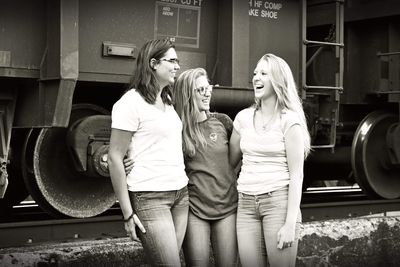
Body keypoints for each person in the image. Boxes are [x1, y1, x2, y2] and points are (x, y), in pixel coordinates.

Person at [108, 38, 189, 267]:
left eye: (178, 61)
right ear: (153, 63)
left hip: (180, 195)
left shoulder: (167, 100)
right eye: (172, 60)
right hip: (150, 197)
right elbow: (115, 157)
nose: (177, 66)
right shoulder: (130, 103)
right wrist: (127, 214)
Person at [229, 53, 311, 267]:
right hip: (246, 206)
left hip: (278, 204)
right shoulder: (242, 119)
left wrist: (289, 224)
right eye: (255, 73)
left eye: (264, 73)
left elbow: (297, 175)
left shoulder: (289, 121)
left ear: (278, 81)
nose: (256, 77)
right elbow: (230, 162)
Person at [174, 68, 239, 267]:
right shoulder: (177, 129)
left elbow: (236, 160)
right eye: (200, 89)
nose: (207, 92)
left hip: (227, 208)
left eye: (208, 87)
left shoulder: (222, 122)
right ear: (187, 94)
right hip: (195, 210)